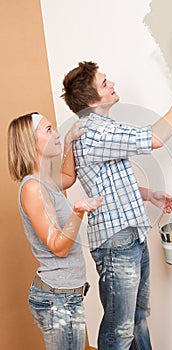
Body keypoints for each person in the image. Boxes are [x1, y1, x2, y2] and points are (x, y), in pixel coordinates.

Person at [60, 61, 172, 349]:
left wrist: (148, 194)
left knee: (136, 320)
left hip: (129, 235)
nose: (111, 84)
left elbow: (108, 181)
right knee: (119, 332)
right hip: (116, 243)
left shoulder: (102, 128)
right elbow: (155, 138)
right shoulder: (94, 133)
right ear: (91, 100)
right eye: (104, 83)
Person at [7, 112, 104, 350]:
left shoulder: (46, 181)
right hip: (58, 301)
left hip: (64, 297)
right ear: (31, 142)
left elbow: (69, 177)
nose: (56, 133)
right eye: (48, 130)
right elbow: (59, 247)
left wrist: (69, 142)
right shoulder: (32, 188)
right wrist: (78, 212)